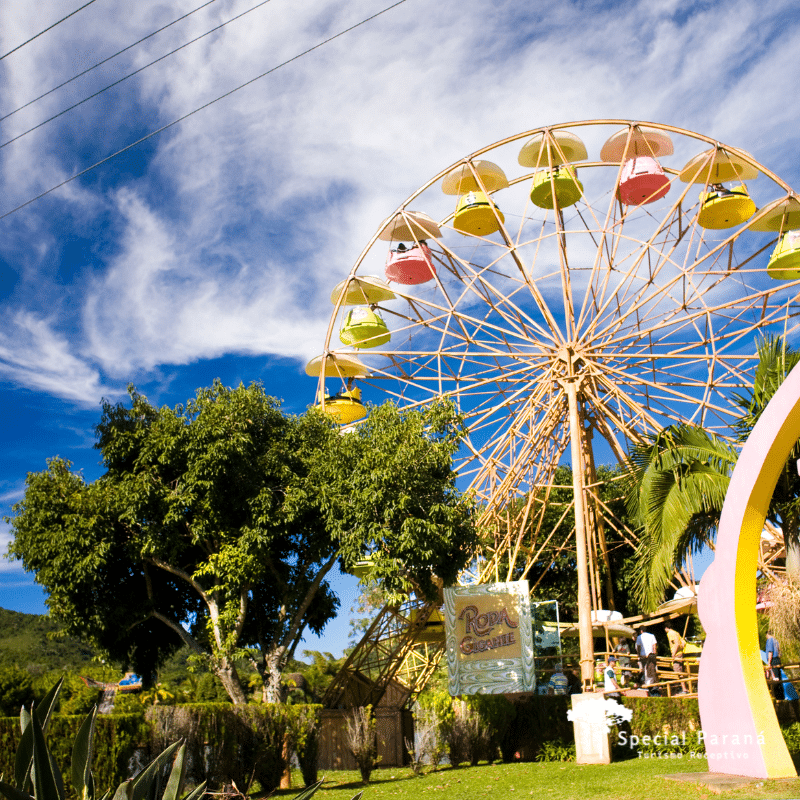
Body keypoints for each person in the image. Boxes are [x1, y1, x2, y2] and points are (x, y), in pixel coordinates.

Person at [664, 621, 688, 693]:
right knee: (681, 671)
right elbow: (683, 642)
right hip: (681, 653)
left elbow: (677, 644)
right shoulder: (676, 633)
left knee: (678, 672)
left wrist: (673, 653)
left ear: (666, 628)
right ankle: (684, 687)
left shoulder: (670, 633)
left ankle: (684, 689)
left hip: (677, 654)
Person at [765, 627, 784, 700]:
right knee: (779, 678)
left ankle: (777, 697)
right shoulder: (776, 641)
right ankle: (781, 696)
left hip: (773, 660)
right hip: (778, 660)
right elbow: (779, 652)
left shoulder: (770, 640)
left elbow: (770, 652)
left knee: (775, 678)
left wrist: (769, 662)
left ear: (768, 634)